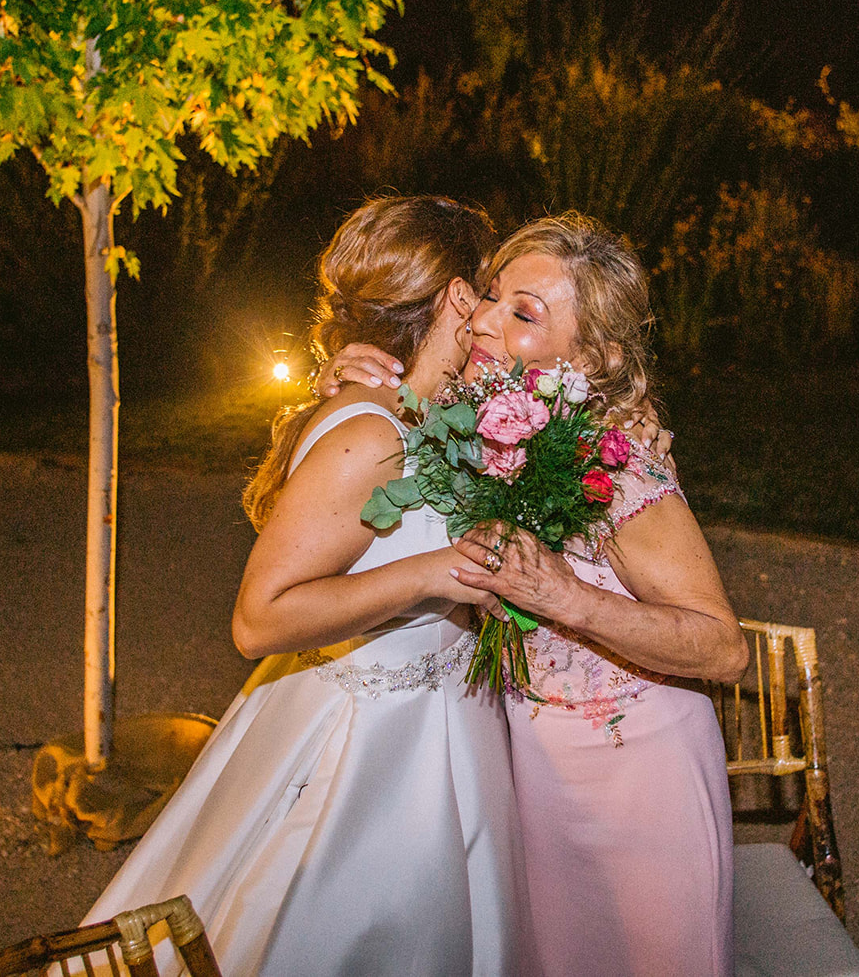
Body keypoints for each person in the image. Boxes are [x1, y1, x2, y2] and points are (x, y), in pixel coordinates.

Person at [81, 196, 535, 977]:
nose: (493, 312)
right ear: (458, 297)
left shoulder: (431, 411)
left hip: (442, 731)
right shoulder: (370, 433)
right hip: (374, 754)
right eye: (487, 292)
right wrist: (434, 572)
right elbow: (259, 619)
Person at [322, 212, 748, 977]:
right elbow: (342, 500)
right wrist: (342, 392)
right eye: (490, 296)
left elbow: (723, 645)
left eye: (524, 314)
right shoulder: (475, 430)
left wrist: (570, 599)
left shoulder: (618, 466)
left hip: (639, 778)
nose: (482, 321)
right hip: (532, 772)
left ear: (592, 355)